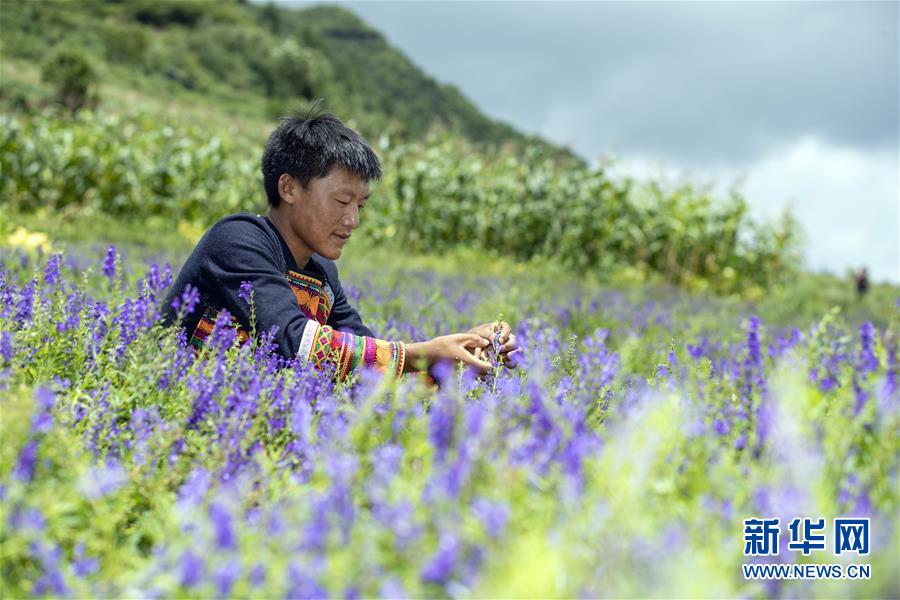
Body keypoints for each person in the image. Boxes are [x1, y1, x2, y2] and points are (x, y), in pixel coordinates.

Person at [160, 112, 518, 380]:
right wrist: (423, 354)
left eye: (360, 206)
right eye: (341, 201)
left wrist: (466, 354)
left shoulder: (323, 275)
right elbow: (294, 341)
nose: (353, 221)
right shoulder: (239, 240)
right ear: (289, 188)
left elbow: (369, 369)